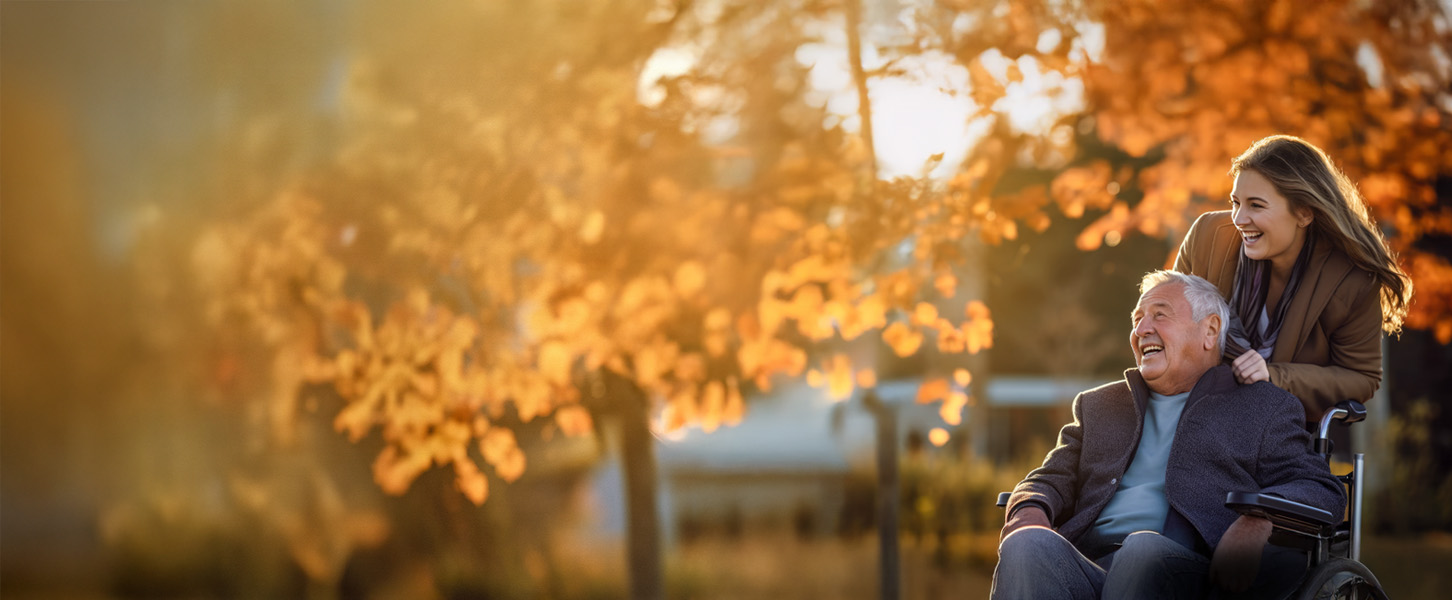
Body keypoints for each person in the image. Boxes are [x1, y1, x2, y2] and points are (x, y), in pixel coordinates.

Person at [992, 271, 1345, 599]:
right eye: (1137, 319)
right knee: (1026, 544)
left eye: (1160, 315)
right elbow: (1048, 479)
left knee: (1142, 549)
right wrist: (1028, 510)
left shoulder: (1261, 407)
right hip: (1089, 564)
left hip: (1192, 571)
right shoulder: (1098, 405)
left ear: (1210, 331)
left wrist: (1256, 520)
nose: (1143, 328)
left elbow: (1320, 489)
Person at [1174, 135, 1413, 421]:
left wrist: (1275, 376)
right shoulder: (1207, 236)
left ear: (1304, 213)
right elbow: (1167, 320)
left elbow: (1361, 378)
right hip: (1192, 414)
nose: (1239, 218)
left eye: (1256, 205)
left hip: (1275, 431)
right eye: (1236, 202)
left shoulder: (1352, 280)